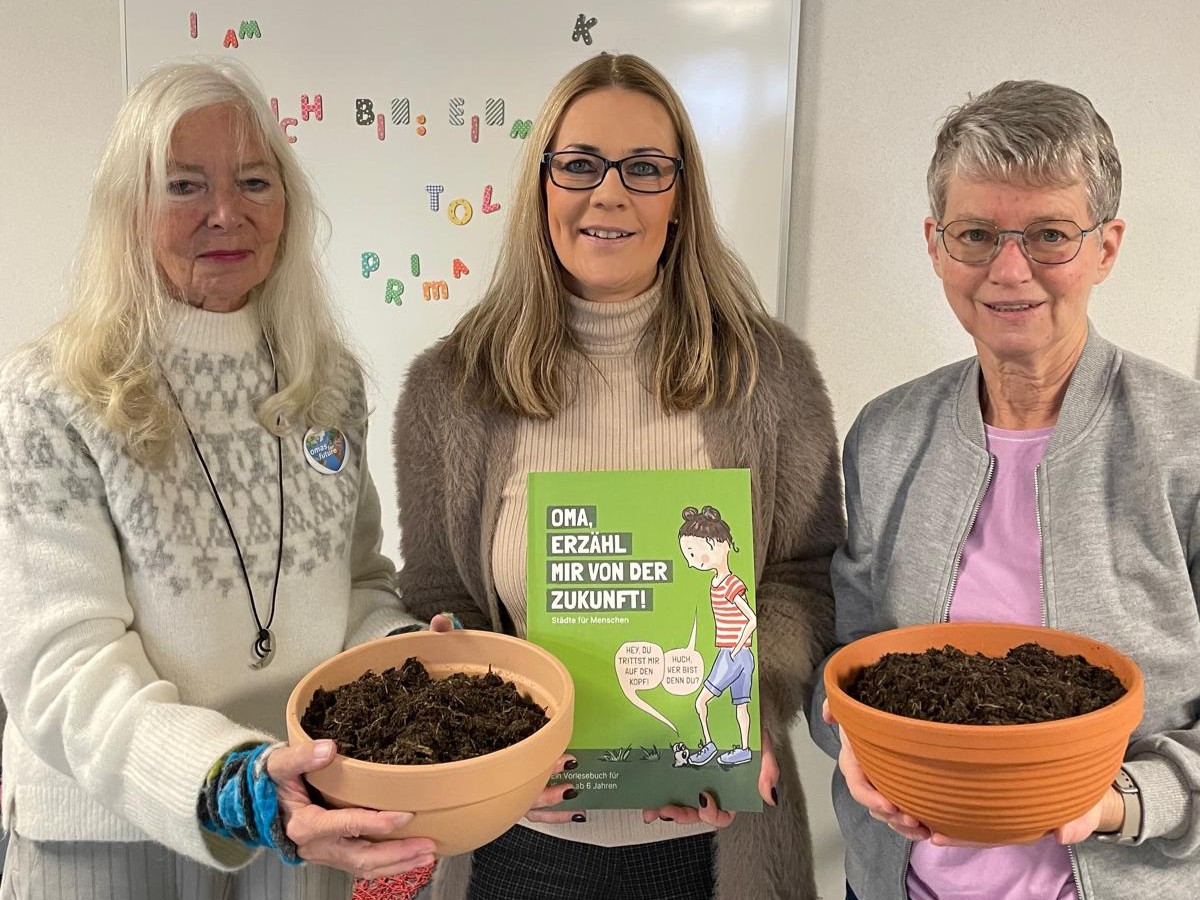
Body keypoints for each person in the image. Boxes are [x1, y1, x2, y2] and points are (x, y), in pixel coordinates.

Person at [393, 52, 844, 900]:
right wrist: (472, 715)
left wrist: (752, 720)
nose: (610, 194)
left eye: (644, 168)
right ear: (544, 186)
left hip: (715, 844)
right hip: (511, 846)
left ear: (680, 198)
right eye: (579, 164)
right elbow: (433, 597)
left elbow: (799, 582)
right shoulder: (448, 389)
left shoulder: (772, 376)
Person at [0, 60, 441, 899]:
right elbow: (60, 662)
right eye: (184, 185)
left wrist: (404, 660)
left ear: (289, 204)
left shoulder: (327, 382)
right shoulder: (51, 394)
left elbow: (351, 585)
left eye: (253, 181)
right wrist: (234, 785)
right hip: (109, 830)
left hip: (303, 811)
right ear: (128, 210)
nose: (226, 213)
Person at [810, 79, 1200, 900]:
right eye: (977, 234)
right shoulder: (885, 437)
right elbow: (840, 667)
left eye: (1050, 235)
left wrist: (1123, 800)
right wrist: (848, 737)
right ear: (934, 243)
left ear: (1107, 246)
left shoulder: (1185, 445)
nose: (1009, 270)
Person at [678, 506, 758, 768]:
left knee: (701, 701)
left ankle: (709, 745)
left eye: (694, 552)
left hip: (732, 655)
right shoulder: (717, 582)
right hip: (743, 656)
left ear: (721, 545)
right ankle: (744, 749)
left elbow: (751, 618)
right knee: (741, 705)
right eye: (687, 554)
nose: (691, 561)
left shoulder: (731, 584)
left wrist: (735, 648)